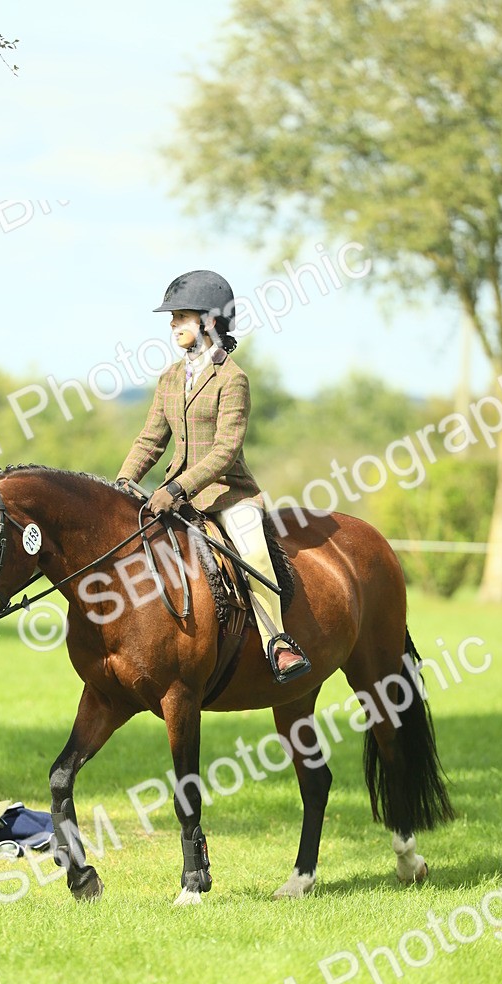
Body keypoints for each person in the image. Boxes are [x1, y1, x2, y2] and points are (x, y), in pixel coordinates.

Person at [116, 270, 310, 682]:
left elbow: (225, 450)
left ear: (209, 321)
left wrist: (177, 487)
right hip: (176, 495)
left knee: (254, 554)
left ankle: (278, 642)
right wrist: (121, 482)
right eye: (172, 318)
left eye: (180, 316)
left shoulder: (233, 379)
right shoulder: (169, 378)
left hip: (227, 496)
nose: (172, 326)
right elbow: (150, 439)